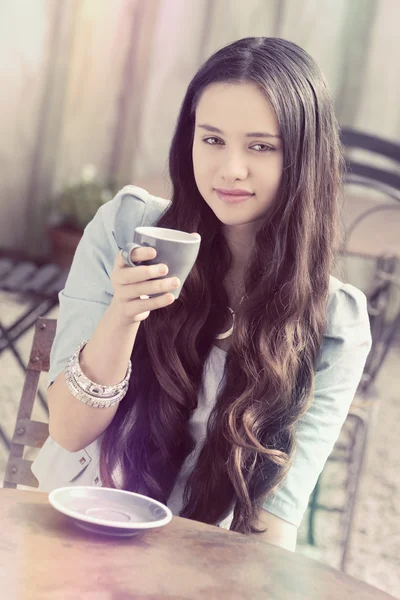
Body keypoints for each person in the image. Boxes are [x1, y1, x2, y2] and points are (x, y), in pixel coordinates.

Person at [31, 37, 372, 552]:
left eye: (262, 146)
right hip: (74, 527)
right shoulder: (127, 230)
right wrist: (124, 316)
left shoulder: (334, 323)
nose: (229, 169)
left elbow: (272, 524)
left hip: (202, 560)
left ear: (304, 158)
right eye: (211, 139)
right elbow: (69, 429)